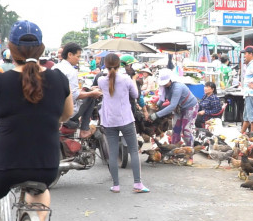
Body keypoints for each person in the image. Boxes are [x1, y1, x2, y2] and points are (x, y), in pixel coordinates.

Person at [0, 20, 74, 221]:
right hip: (45, 166)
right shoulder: (59, 79)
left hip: (5, 167)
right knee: (40, 190)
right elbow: (66, 115)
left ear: (11, 50)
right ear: (41, 49)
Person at [98, 53, 149, 193]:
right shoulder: (126, 79)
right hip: (126, 119)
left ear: (105, 65)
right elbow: (135, 95)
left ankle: (116, 185)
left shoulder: (101, 81)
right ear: (120, 65)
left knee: (113, 153)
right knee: (133, 150)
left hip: (109, 121)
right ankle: (138, 184)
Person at [54, 42, 102, 138]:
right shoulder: (71, 71)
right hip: (67, 113)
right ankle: (84, 129)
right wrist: (92, 93)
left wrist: (88, 90)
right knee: (91, 97)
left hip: (54, 109)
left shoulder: (55, 67)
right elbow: (75, 95)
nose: (79, 59)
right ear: (70, 54)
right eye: (78, 56)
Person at [150, 69, 198, 164]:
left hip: (190, 107)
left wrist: (156, 115)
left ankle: (190, 156)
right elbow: (162, 98)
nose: (164, 84)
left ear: (170, 80)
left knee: (186, 131)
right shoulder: (164, 87)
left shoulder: (177, 87)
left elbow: (172, 106)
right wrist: (157, 106)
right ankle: (174, 154)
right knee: (175, 131)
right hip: (179, 108)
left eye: (166, 82)